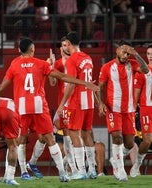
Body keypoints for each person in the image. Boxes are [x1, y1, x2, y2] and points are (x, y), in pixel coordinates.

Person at [0, 37, 99, 182]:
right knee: (50, 139)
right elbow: (62, 77)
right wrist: (85, 83)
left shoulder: (14, 64)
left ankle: (16, 173)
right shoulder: (41, 64)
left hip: (22, 106)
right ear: (32, 50)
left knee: (18, 141)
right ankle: (62, 173)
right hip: (39, 106)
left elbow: (1, 86)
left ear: (19, 50)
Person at [98, 40, 149, 181]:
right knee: (117, 137)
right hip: (113, 108)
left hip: (129, 109)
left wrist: (136, 53)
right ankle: (120, 169)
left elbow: (145, 70)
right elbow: (100, 87)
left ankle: (115, 159)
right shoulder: (107, 67)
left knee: (129, 143)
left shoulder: (132, 64)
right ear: (117, 51)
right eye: (124, 52)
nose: (126, 55)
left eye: (128, 53)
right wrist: (101, 103)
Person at [56, 31, 97, 180]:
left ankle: (81, 170)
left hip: (77, 101)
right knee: (86, 134)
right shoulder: (88, 58)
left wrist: (61, 104)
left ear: (70, 44)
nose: (65, 47)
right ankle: (92, 169)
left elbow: (71, 83)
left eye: (66, 44)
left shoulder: (73, 59)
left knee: (74, 133)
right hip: (89, 101)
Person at [48, 37, 79, 177]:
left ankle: (71, 166)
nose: (64, 47)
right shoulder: (59, 64)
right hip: (65, 105)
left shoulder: (77, 61)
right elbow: (53, 82)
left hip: (78, 104)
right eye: (62, 45)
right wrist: (51, 66)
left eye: (67, 44)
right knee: (67, 137)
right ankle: (74, 168)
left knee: (82, 136)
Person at [130, 44, 152, 177]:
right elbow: (136, 95)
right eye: (149, 54)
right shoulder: (142, 72)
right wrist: (133, 111)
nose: (151, 56)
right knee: (147, 141)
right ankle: (137, 164)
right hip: (146, 109)